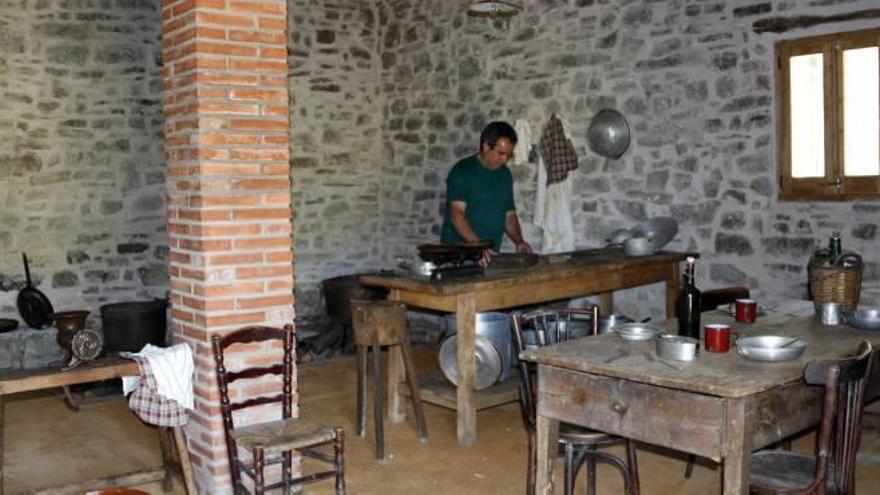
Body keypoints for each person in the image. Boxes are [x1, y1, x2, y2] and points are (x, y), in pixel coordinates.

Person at [440, 121, 533, 262]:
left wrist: (519, 241)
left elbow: (509, 214)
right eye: (501, 153)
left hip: (487, 255)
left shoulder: (505, 175)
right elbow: (457, 215)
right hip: (457, 256)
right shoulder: (462, 171)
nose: (504, 160)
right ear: (485, 146)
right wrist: (479, 247)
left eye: (508, 155)